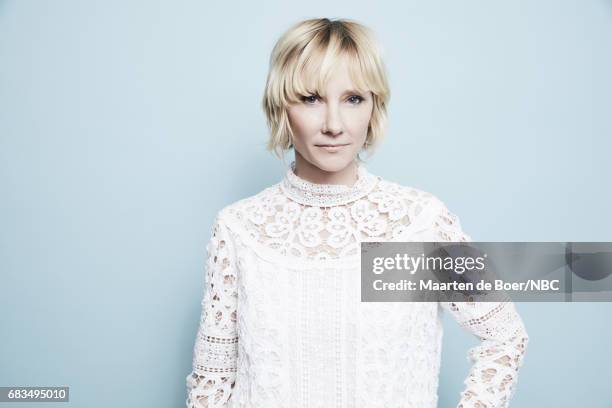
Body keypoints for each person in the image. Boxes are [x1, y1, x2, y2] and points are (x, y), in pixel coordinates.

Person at [185, 17, 529, 408]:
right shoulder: (238, 229)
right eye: (311, 98)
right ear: (282, 106)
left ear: (373, 106)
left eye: (352, 99)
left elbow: (504, 334)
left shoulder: (418, 222)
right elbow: (211, 384)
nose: (334, 124)